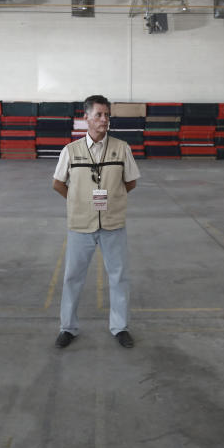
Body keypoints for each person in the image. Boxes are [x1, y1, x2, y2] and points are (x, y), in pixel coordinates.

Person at [52, 94, 140, 349]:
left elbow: (131, 181)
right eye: (99, 114)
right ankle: (67, 328)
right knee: (73, 277)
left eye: (107, 115)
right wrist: (78, 202)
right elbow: (58, 184)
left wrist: (111, 200)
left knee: (119, 277)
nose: (104, 119)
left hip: (113, 224)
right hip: (81, 226)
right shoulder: (71, 151)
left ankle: (120, 327)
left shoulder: (121, 148)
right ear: (86, 118)